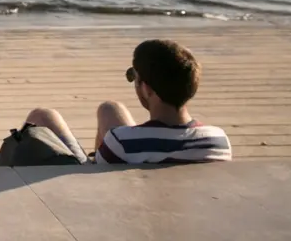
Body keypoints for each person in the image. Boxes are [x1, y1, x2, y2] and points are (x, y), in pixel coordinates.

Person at [21, 39, 232, 164]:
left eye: (134, 76)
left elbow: (96, 179)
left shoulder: (122, 142)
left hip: (97, 185)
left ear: (147, 89)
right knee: (110, 108)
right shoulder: (217, 140)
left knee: (42, 116)